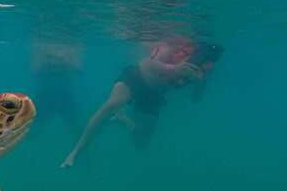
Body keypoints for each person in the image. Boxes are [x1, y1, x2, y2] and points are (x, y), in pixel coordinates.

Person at [61, 36, 223, 167]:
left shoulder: (200, 70)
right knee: (111, 105)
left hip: (154, 95)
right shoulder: (173, 49)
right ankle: (75, 152)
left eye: (209, 64)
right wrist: (174, 69)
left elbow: (196, 100)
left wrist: (200, 81)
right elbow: (145, 64)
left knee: (141, 144)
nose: (207, 66)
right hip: (137, 78)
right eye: (206, 62)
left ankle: (123, 119)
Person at [31, 40, 83, 136]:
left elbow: (78, 69)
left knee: (75, 129)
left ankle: (81, 143)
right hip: (45, 95)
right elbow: (35, 71)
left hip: (64, 95)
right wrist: (54, 62)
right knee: (33, 130)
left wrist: (59, 61)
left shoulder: (72, 49)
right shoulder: (41, 47)